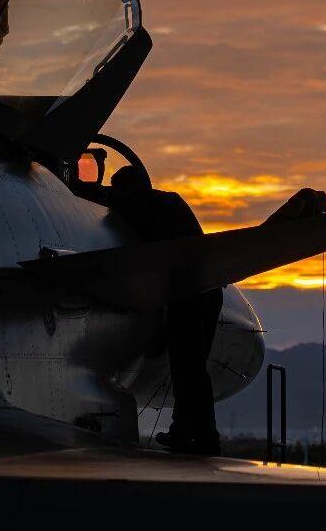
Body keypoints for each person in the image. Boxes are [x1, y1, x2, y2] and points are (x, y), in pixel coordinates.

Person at [109, 165, 223, 455]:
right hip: (207, 291)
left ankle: (200, 436)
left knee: (187, 368)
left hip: (190, 295)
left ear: (128, 191)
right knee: (191, 368)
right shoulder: (170, 202)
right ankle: (190, 432)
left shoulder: (143, 210)